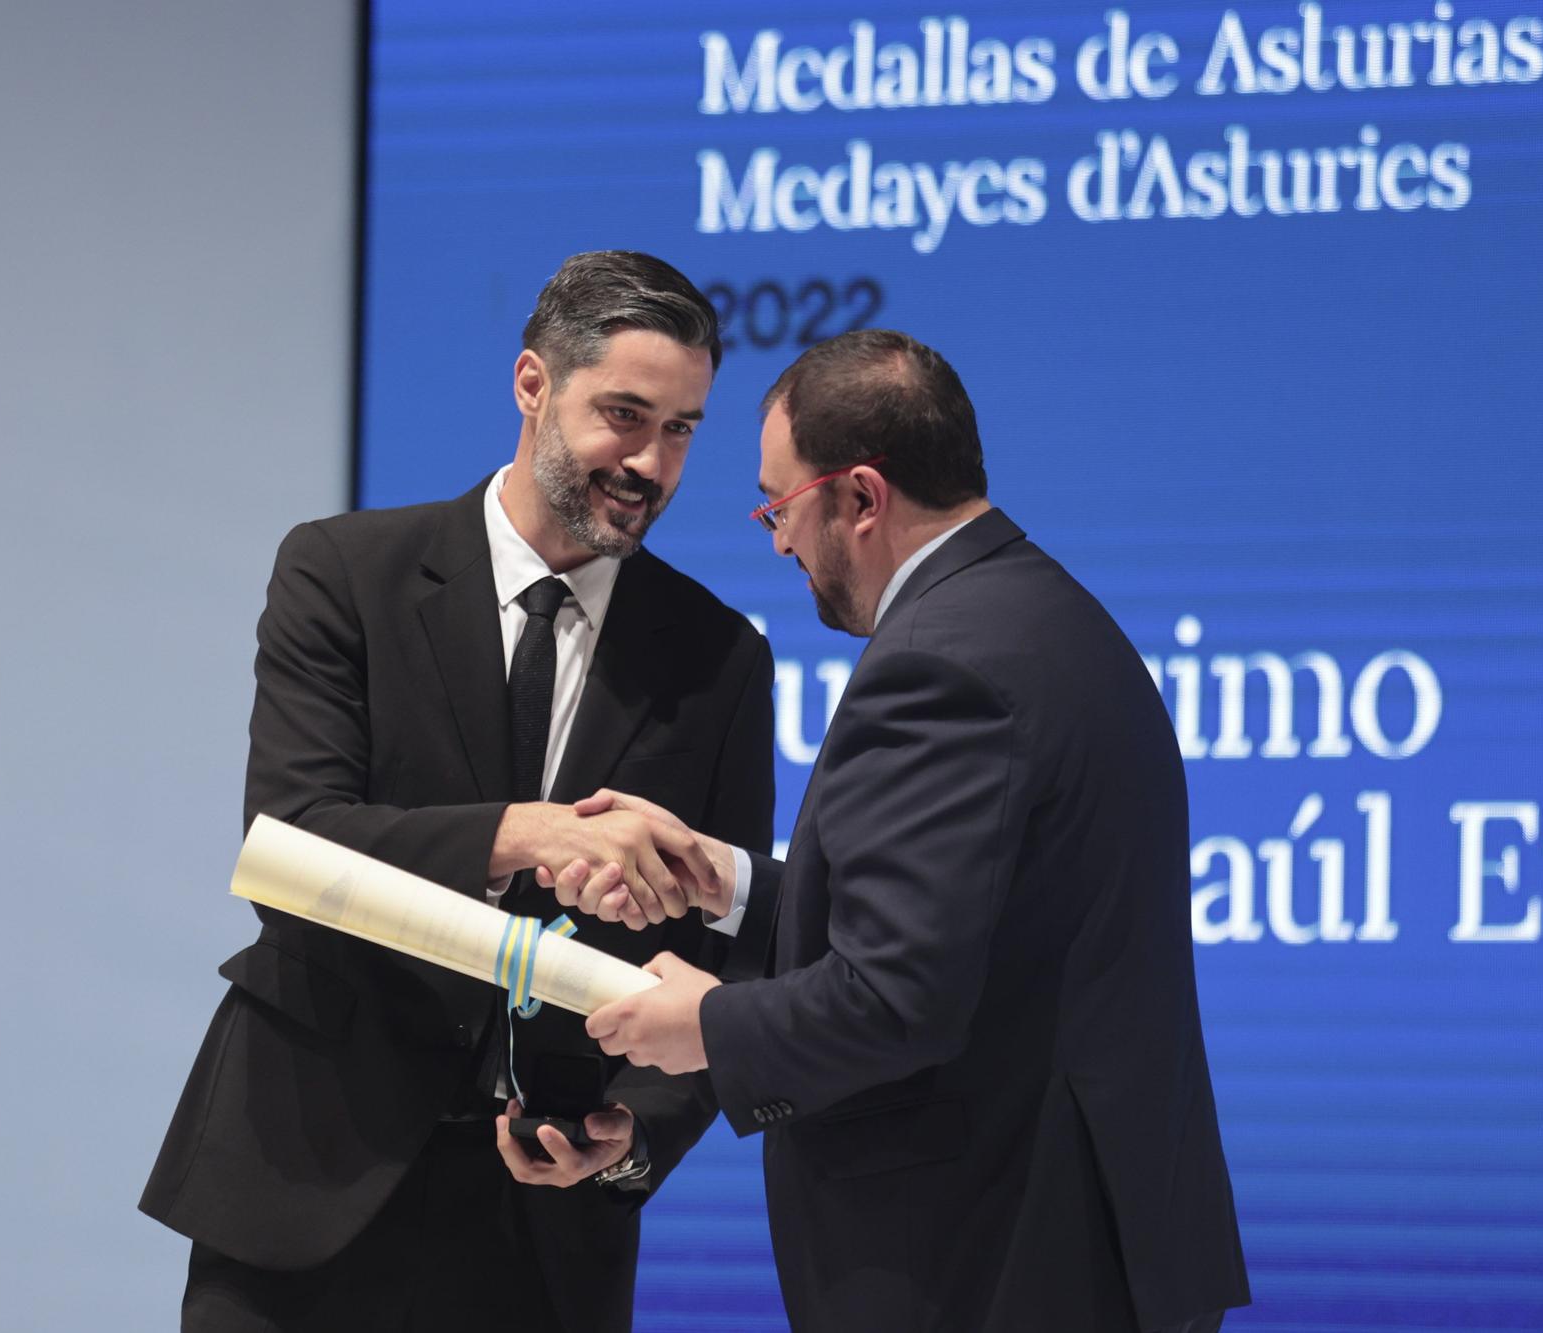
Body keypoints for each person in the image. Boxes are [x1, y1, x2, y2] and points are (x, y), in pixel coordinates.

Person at [139, 251, 775, 1332]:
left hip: (539, 1237)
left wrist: (630, 1132)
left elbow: (718, 955)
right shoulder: (343, 571)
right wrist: (520, 836)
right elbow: (293, 843)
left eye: (681, 430)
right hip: (303, 1181)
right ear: (532, 384)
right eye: (623, 413)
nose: (649, 462)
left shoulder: (718, 658)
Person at [566, 329, 1250, 1331]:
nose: (776, 542)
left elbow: (897, 998)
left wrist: (701, 1027)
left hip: (996, 1258)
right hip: (1074, 1241)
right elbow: (973, 927)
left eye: (778, 507)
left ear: (859, 498)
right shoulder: (1032, 610)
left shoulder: (939, 662)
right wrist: (732, 882)